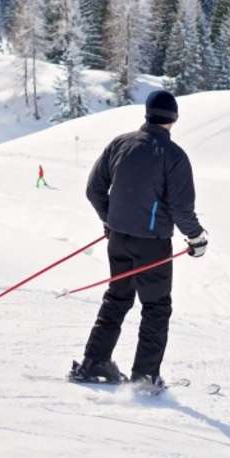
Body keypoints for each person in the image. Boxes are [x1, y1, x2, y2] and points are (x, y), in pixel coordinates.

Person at [72, 90, 208, 392]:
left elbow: (94, 190)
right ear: (174, 118)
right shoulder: (173, 156)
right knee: (156, 307)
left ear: (147, 113)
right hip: (152, 245)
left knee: (117, 297)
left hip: (118, 239)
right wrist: (196, 237)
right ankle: (145, 376)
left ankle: (94, 362)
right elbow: (181, 208)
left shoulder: (120, 143)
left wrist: (110, 220)